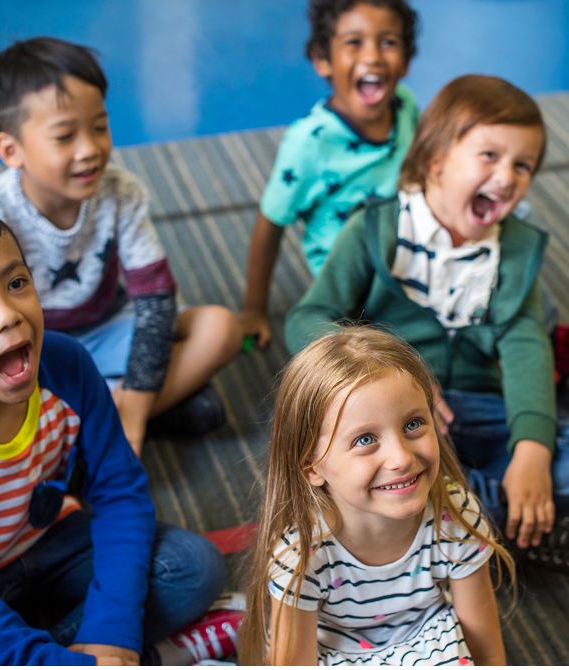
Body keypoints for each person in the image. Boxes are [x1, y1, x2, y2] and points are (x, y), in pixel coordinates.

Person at [0, 194, 229, 665]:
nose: (8, 313)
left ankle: (95, 650)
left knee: (193, 568)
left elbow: (120, 491)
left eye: (16, 283)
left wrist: (111, 630)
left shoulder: (67, 362)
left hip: (54, 541)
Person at [285, 74, 569, 567]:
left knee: (546, 456)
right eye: (489, 157)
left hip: (480, 412)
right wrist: (379, 380)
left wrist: (531, 452)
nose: (507, 178)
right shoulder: (376, 229)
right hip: (393, 418)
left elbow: (527, 347)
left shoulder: (515, 250)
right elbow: (307, 317)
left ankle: (457, 513)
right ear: (435, 160)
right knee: (312, 441)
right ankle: (492, 519)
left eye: (522, 166)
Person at [0, 37, 241, 456]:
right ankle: (144, 406)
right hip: (40, 348)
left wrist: (133, 411)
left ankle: (105, 417)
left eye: (99, 126)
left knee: (222, 328)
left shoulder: (121, 192)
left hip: (112, 327)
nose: (91, 149)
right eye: (65, 136)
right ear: (12, 150)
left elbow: (156, 302)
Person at [239, 326, 514, 665]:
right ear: (312, 466)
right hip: (335, 652)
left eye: (413, 424)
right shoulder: (301, 555)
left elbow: (485, 648)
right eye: (365, 440)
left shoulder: (453, 514)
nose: (401, 458)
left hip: (425, 639)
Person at [240, 0, 420, 348]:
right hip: (349, 285)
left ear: (407, 60)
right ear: (323, 60)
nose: (373, 57)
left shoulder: (407, 105)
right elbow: (270, 222)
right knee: (355, 354)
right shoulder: (309, 143)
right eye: (354, 42)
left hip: (408, 250)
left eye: (388, 42)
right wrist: (254, 310)